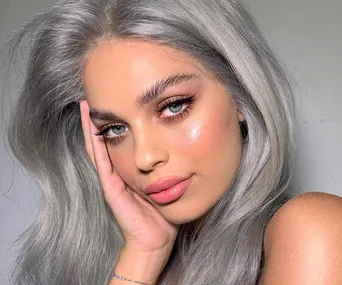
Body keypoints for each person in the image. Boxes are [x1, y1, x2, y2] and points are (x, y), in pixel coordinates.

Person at [4, 0, 342, 284]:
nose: (145, 157)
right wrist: (143, 253)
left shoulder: (315, 228)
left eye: (174, 106)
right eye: (114, 129)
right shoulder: (158, 261)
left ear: (241, 93)